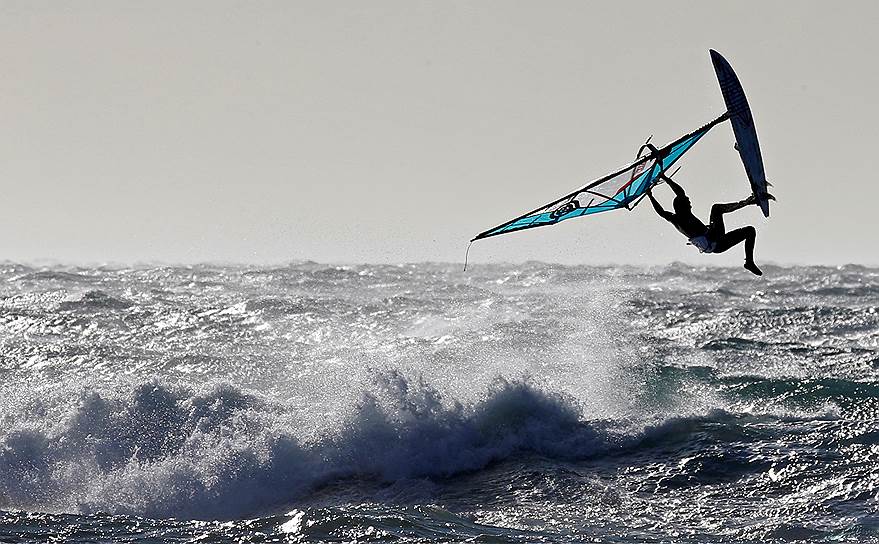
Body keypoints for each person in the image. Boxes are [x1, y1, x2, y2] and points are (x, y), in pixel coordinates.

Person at [646, 174, 772, 276]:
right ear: (682, 206)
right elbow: (665, 208)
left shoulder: (676, 217)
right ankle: (748, 201)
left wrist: (652, 193)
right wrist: (662, 181)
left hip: (716, 243)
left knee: (750, 231)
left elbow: (665, 209)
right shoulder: (681, 219)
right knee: (716, 208)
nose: (690, 203)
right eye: (687, 202)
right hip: (715, 240)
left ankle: (749, 262)